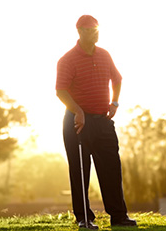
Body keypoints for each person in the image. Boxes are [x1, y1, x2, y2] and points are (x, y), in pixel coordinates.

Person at [56, 14, 137, 230]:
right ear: (80, 32)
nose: (95, 33)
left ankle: (119, 216)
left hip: (103, 121)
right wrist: (77, 111)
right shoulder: (67, 60)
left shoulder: (104, 55)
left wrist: (115, 103)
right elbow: (61, 90)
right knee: (80, 171)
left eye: (96, 29)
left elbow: (117, 79)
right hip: (77, 123)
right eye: (91, 30)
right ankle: (84, 218)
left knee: (112, 168)